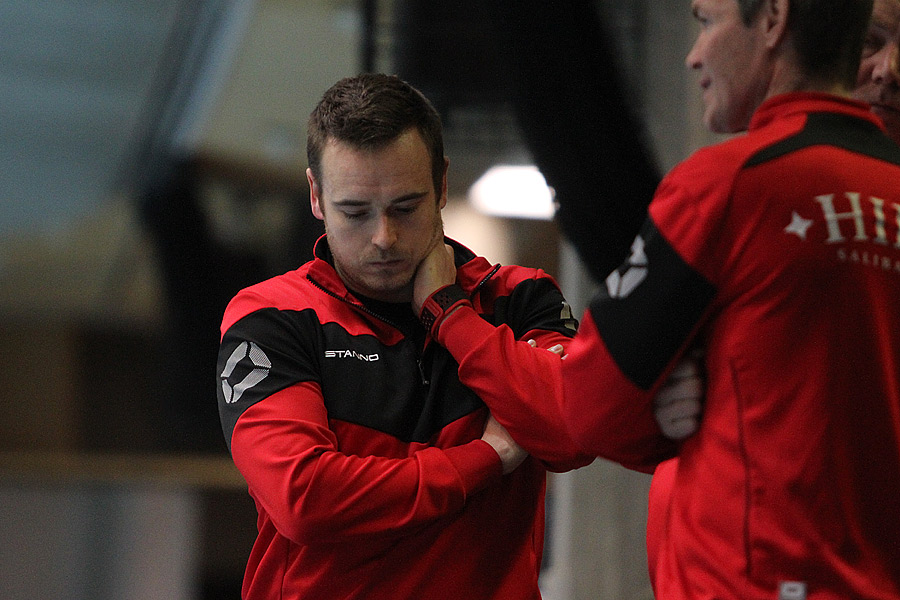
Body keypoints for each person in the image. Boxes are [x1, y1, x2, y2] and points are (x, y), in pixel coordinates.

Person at [216, 73, 699, 600]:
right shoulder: (274, 316)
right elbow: (305, 499)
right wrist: (485, 459)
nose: (384, 237)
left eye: (406, 207)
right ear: (315, 195)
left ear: (442, 184)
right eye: (355, 212)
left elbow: (573, 431)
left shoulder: (519, 301)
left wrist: (450, 315)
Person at [550, 0, 900, 598]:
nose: (693, 56)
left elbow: (588, 404)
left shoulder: (729, 184)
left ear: (772, 21)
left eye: (707, 24)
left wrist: (678, 417)